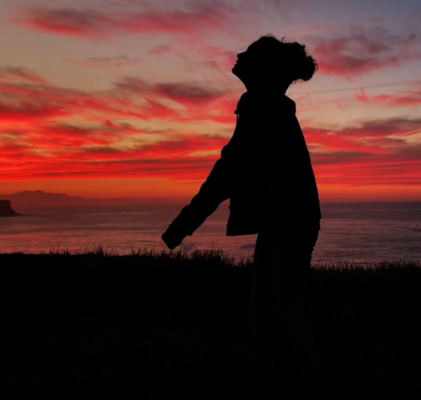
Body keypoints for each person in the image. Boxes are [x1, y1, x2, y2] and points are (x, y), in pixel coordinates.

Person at [161, 35, 322, 399]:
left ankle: (309, 383)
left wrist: (181, 227)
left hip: (290, 223)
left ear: (261, 67)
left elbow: (228, 173)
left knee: (287, 307)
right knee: (263, 303)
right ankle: (264, 375)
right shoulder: (267, 107)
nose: (237, 55)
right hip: (281, 222)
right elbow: (234, 171)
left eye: (247, 54)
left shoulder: (262, 109)